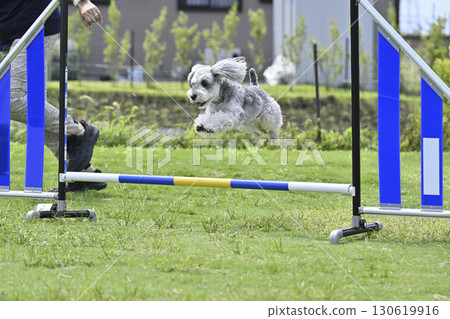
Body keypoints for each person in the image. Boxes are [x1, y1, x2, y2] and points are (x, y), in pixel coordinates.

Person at [0, 0, 105, 192]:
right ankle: (83, 173)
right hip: (9, 31)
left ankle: (80, 131)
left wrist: (81, 2)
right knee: (35, 108)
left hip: (34, 24)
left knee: (11, 100)